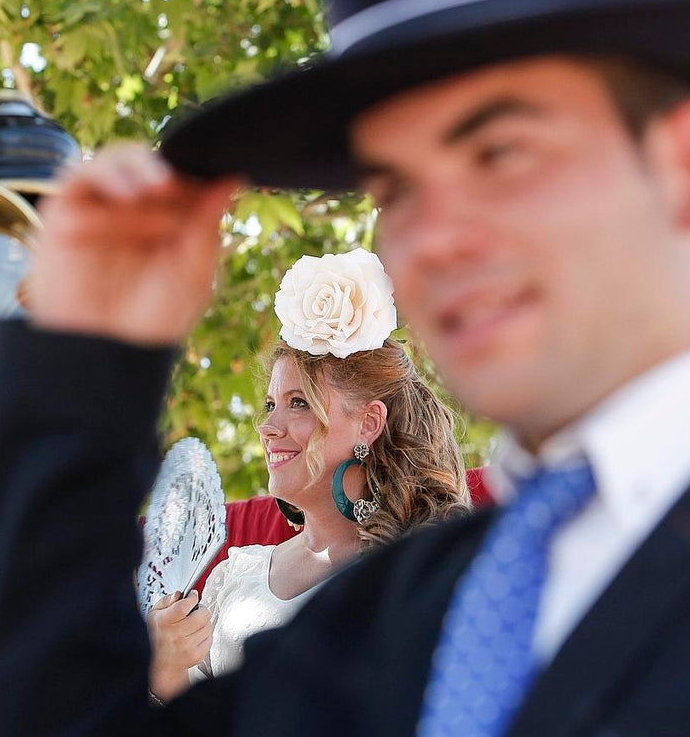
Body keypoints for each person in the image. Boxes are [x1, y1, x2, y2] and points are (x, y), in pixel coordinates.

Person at [0, 0, 690, 735]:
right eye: (397, 188)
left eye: (501, 153)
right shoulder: (410, 610)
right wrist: (84, 364)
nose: (431, 239)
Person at [146, 249, 470, 701]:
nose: (269, 428)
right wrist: (167, 666)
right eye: (270, 405)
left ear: (368, 423)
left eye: (299, 403)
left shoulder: (423, 572)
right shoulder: (235, 575)